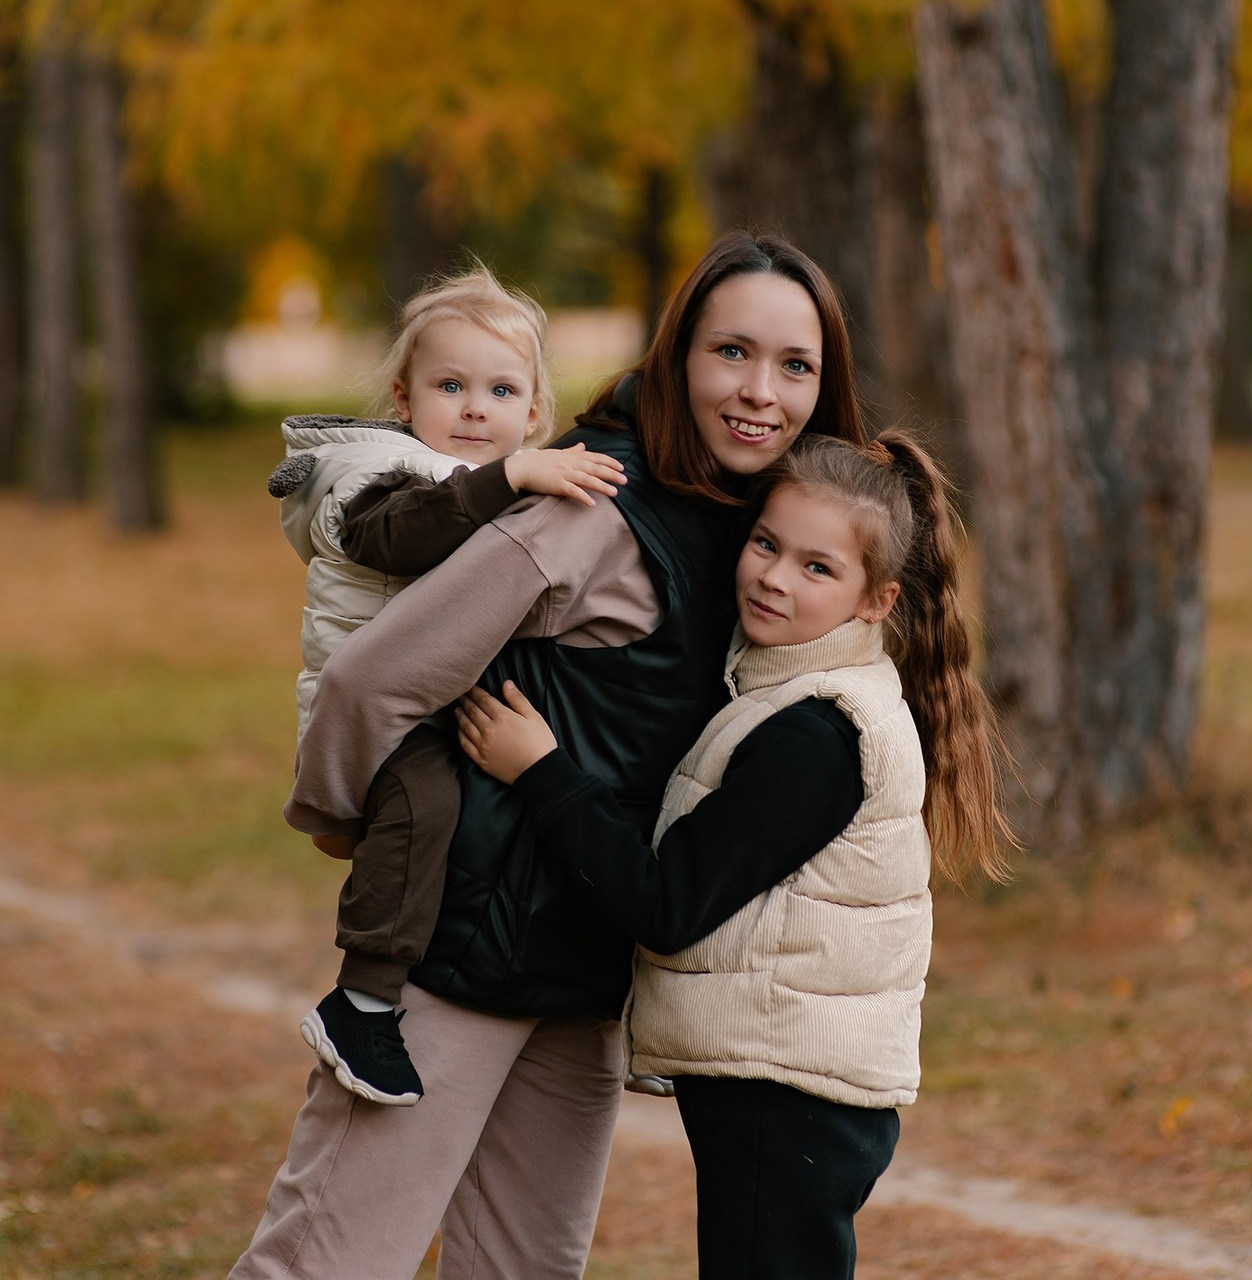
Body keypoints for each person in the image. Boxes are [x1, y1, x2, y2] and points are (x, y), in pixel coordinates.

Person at [227, 230, 867, 1280]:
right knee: (327, 1263)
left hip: (586, 976)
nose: (761, 390)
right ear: (678, 355)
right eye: (731, 352)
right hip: (457, 960)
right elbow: (370, 680)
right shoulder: (593, 503)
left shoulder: (768, 532)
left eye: (794, 365)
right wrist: (346, 819)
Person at [457, 431, 1015, 1279]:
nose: (775, 577)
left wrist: (542, 772)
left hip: (788, 1097)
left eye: (817, 567)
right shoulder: (785, 690)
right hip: (784, 1086)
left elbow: (665, 905)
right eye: (766, 544)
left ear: (877, 600)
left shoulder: (817, 735)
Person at [267, 264, 626, 1106]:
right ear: (404, 398)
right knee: (426, 801)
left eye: (501, 390)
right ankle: (362, 1000)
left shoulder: (485, 488)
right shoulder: (377, 473)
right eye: (450, 385)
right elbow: (404, 538)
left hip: (432, 703)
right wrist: (514, 476)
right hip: (375, 723)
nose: (474, 408)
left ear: (532, 413)